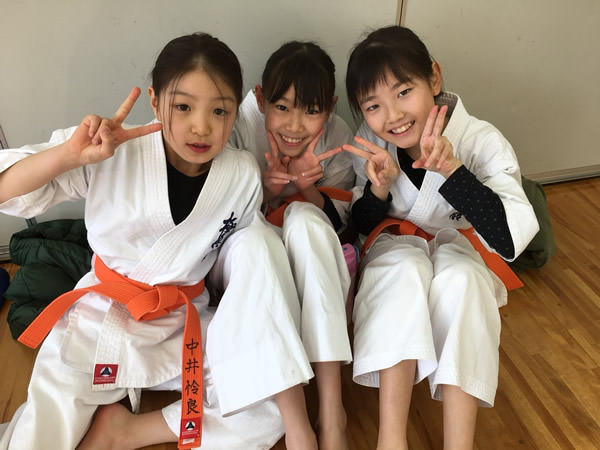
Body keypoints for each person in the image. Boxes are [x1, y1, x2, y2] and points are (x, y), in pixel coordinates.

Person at [0, 32, 318, 450]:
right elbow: (6, 189)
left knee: (270, 403)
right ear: (155, 100)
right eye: (183, 106)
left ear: (235, 112)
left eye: (219, 110)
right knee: (37, 438)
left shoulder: (241, 174)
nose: (201, 126)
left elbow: (232, 261)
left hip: (181, 323)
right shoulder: (111, 148)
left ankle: (126, 432)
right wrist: (68, 157)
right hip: (103, 320)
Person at [342, 25, 539, 449]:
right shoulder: (371, 142)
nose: (392, 116)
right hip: (396, 244)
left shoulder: (481, 140)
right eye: (373, 105)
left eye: (403, 92)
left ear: (434, 77)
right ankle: (390, 439)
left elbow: (508, 238)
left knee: (463, 282)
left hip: (460, 246)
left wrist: (453, 172)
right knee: (403, 269)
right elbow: (361, 223)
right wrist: (379, 190)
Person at [228, 41, 355, 449]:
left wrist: (305, 187)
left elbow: (339, 222)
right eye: (281, 107)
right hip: (248, 247)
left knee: (306, 218)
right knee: (260, 243)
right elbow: (218, 219)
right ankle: (297, 422)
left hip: (307, 247)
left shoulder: (338, 135)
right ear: (260, 98)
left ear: (330, 107)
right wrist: (265, 189)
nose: (295, 126)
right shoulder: (237, 126)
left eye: (312, 111)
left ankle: (332, 412)